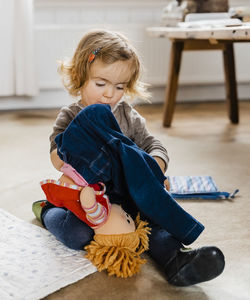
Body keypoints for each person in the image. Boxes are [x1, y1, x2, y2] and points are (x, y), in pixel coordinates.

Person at [33, 29, 225, 286]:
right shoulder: (70, 115)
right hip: (89, 197)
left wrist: (155, 167)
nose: (109, 94)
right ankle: (47, 212)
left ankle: (176, 260)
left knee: (155, 219)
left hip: (128, 193)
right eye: (101, 84)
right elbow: (56, 156)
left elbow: (153, 144)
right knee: (78, 235)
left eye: (120, 86)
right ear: (81, 77)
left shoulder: (127, 116)